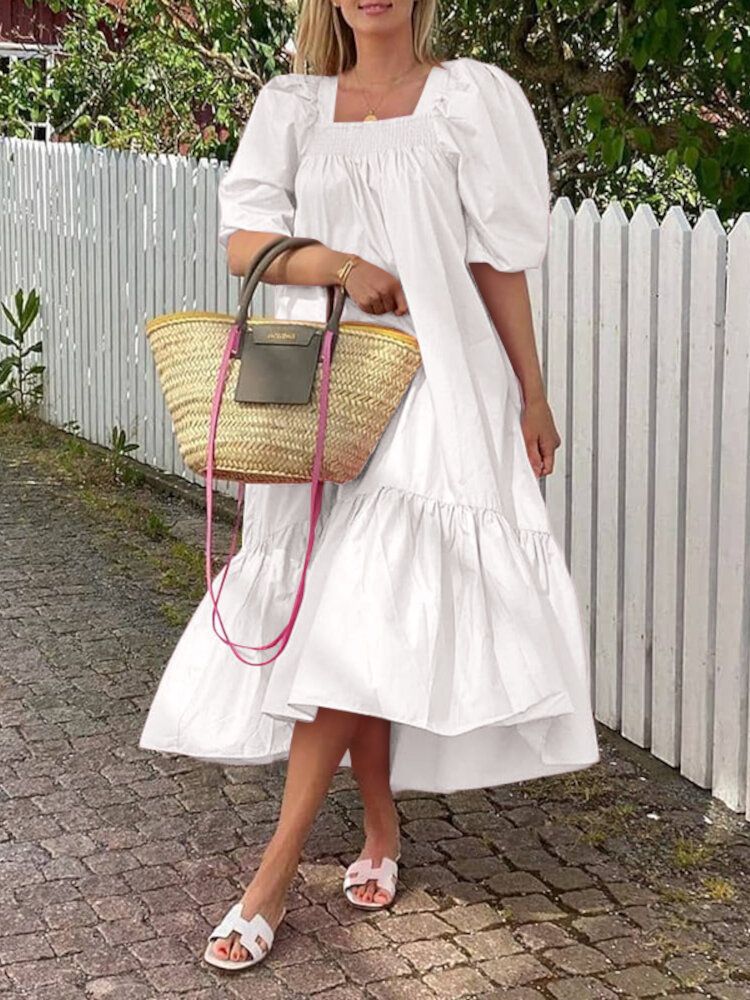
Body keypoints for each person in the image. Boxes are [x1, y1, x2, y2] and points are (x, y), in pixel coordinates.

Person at [139, 0, 600, 972]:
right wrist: (341, 263)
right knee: (358, 611)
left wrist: (532, 391)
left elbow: (495, 261)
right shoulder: (292, 105)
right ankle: (381, 824)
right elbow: (244, 245)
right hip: (324, 383)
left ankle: (271, 875)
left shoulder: (471, 101)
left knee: (367, 604)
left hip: (441, 386)